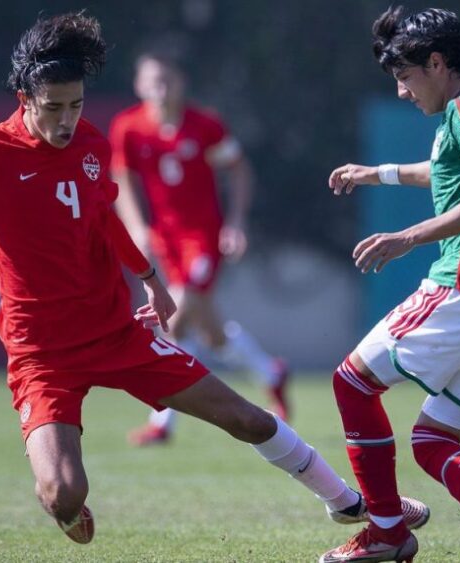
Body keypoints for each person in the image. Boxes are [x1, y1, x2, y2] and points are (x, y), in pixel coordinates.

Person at [0, 11, 428, 549]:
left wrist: (151, 279)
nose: (67, 121)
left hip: (116, 334)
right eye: (54, 108)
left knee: (245, 417)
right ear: (24, 99)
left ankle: (353, 503)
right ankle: (72, 513)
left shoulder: (93, 145)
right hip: (40, 353)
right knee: (62, 494)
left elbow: (105, 223)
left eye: (75, 105)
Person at [319, 6, 460, 563]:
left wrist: (408, 238)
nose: (401, 91)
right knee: (432, 442)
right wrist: (378, 173)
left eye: (405, 76)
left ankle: (388, 534)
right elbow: (447, 171)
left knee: (352, 383)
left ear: (438, 63)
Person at [109, 48, 290, 447]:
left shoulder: (204, 125)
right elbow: (120, 179)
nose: (160, 88)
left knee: (175, 314)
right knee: (211, 336)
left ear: (181, 82)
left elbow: (240, 170)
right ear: (139, 86)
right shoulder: (129, 127)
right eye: (152, 80)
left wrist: (236, 222)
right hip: (165, 241)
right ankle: (271, 373)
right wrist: (137, 227)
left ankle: (162, 423)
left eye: (167, 79)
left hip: (203, 238)